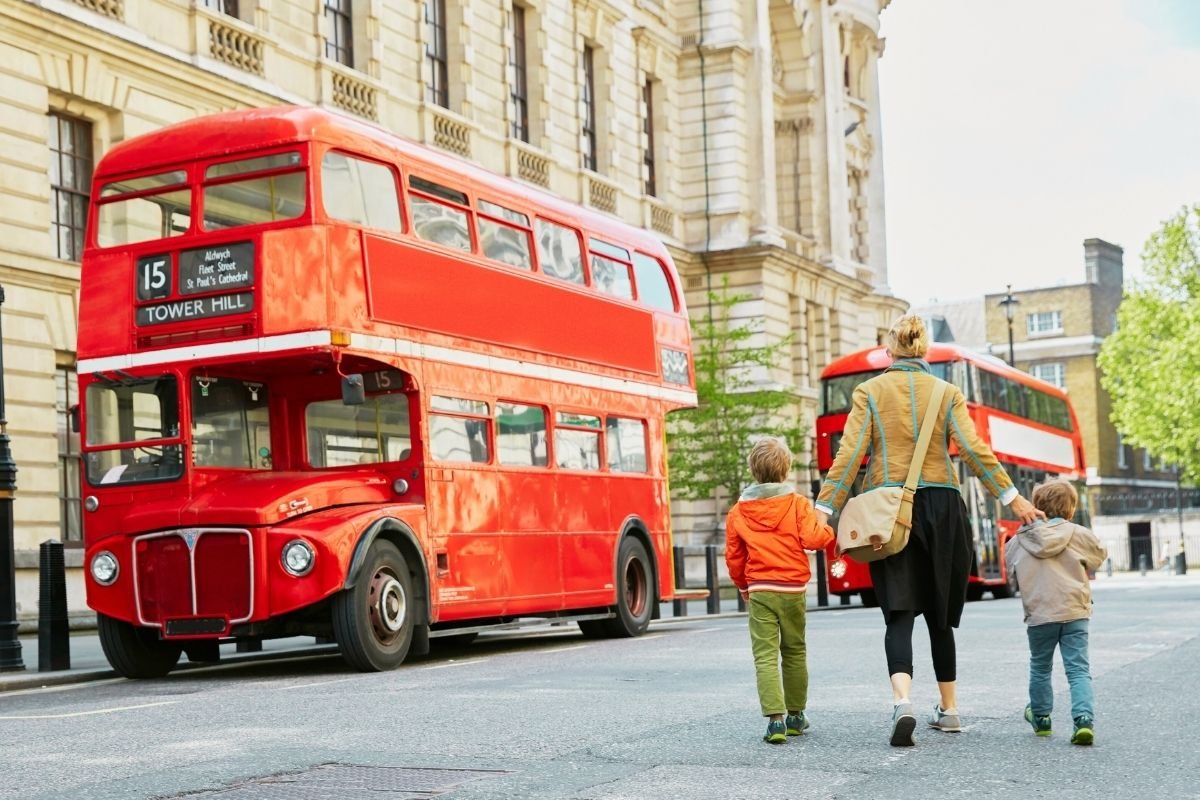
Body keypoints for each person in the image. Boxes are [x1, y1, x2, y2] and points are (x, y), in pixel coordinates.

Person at [814, 314, 1044, 747]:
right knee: (940, 615)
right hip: (942, 506)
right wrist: (1013, 498)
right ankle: (950, 709)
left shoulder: (869, 392)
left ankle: (903, 702)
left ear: (889, 350)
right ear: (924, 352)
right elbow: (975, 451)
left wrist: (823, 508)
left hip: (889, 508)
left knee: (898, 613)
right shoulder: (946, 392)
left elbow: (849, 457)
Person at [725, 436, 835, 744]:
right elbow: (814, 539)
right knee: (795, 651)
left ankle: (775, 722)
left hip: (760, 589)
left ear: (753, 469)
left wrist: (743, 586)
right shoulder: (798, 504)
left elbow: (734, 557)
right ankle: (796, 717)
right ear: (785, 469)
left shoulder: (738, 512)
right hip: (792, 588)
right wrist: (828, 528)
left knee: (765, 656)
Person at [1005, 479, 1107, 745]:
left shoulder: (1019, 539)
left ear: (1037, 506)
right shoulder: (1077, 533)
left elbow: (1009, 566)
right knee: (1078, 670)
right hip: (1075, 612)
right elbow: (1099, 555)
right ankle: (1083, 720)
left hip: (1039, 615)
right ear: (1070, 508)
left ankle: (1041, 718)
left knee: (1040, 666)